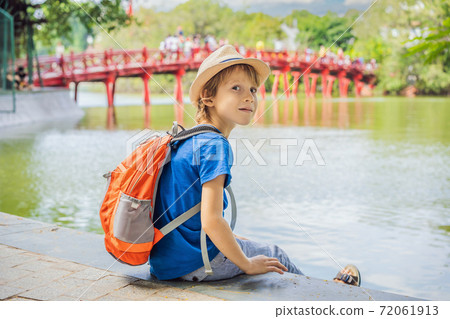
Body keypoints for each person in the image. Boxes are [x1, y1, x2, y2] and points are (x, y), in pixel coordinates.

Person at [149, 45, 361, 286]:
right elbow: (211, 221)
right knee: (275, 255)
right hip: (195, 264)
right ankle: (331, 296)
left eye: (252, 89)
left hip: (164, 263)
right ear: (208, 97)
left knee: (244, 243)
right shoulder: (215, 144)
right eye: (236, 88)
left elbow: (189, 215)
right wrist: (247, 264)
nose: (249, 96)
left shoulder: (187, 138)